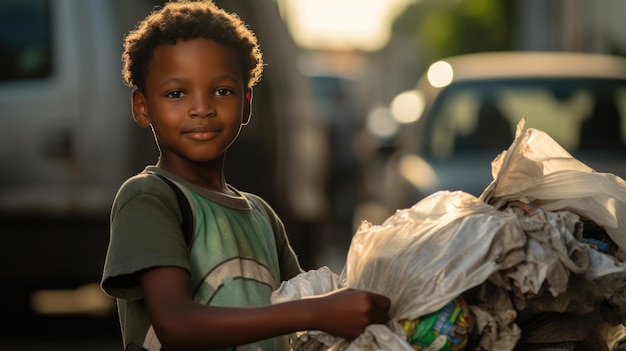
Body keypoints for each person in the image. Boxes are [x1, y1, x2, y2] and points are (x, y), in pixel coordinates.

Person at [100, 1, 391, 350]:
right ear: (142, 107)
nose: (201, 108)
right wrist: (315, 313)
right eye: (176, 93)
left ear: (247, 103)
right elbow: (176, 323)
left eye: (222, 91)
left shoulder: (262, 216)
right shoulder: (149, 198)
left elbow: (304, 305)